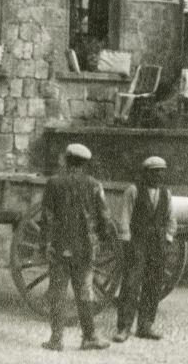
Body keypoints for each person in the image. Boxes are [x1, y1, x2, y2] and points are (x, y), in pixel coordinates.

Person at [40, 143, 114, 352]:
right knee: (85, 292)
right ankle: (89, 337)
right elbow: (104, 217)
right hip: (85, 249)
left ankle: (56, 339)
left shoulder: (53, 183)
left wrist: (44, 244)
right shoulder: (94, 185)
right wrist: (102, 237)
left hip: (60, 247)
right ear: (84, 163)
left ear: (67, 159)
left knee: (57, 293)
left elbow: (46, 217)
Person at [113, 156, 177, 343]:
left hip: (157, 245)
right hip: (137, 243)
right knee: (131, 284)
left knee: (154, 284)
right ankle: (124, 327)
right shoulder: (133, 191)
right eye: (154, 171)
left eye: (161, 172)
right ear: (146, 173)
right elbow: (125, 216)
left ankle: (145, 325)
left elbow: (171, 218)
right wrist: (127, 240)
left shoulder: (166, 193)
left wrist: (168, 237)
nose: (158, 175)